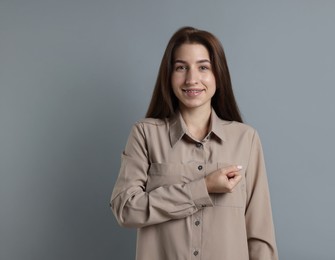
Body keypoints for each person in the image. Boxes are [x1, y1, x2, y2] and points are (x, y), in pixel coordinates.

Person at [110, 26, 278, 260]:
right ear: (169, 75)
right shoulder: (145, 135)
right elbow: (125, 209)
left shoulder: (246, 139)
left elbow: (260, 235)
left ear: (218, 74)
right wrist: (203, 188)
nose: (192, 79)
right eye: (181, 67)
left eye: (203, 67)